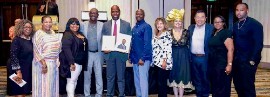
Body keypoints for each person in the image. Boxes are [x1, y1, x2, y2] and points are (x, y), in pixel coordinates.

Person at [232, 3, 263, 97]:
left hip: (248, 61)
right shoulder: (235, 24)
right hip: (237, 61)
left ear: (247, 11)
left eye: (241, 10)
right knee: (238, 85)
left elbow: (258, 44)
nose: (239, 12)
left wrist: (252, 60)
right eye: (237, 10)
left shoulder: (255, 24)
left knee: (248, 87)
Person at [102, 5, 131, 97]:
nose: (115, 13)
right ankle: (109, 95)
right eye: (113, 11)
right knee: (110, 77)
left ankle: (122, 94)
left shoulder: (126, 24)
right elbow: (103, 38)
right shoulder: (105, 24)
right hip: (109, 54)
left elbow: (129, 39)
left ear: (119, 12)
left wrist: (126, 48)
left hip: (121, 54)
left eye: (117, 11)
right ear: (111, 13)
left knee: (121, 78)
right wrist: (104, 48)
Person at [32, 15, 62, 97]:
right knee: (43, 86)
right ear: (42, 23)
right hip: (43, 64)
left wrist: (57, 59)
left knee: (52, 85)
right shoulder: (38, 34)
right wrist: (43, 64)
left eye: (50, 22)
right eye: (46, 22)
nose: (48, 24)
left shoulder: (53, 32)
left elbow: (58, 47)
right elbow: (36, 51)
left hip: (53, 63)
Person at [166, 9, 193, 97]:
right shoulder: (169, 32)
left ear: (182, 23)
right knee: (174, 75)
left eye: (180, 21)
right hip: (172, 55)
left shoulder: (186, 32)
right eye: (176, 21)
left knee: (182, 76)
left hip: (183, 56)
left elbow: (189, 44)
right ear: (173, 22)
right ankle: (175, 95)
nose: (178, 23)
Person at [59, 18, 88, 97]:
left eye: (77, 24)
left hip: (80, 62)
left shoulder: (80, 34)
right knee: (71, 81)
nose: (75, 25)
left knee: (74, 81)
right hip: (73, 62)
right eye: (72, 24)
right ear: (69, 25)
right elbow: (66, 49)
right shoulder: (67, 34)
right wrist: (71, 63)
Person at [188, 10, 214, 97]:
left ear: (205, 18)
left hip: (205, 58)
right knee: (196, 79)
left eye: (202, 17)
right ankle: (199, 95)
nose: (200, 19)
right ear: (194, 18)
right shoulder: (190, 28)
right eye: (197, 17)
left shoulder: (211, 28)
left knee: (205, 79)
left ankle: (205, 95)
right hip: (193, 57)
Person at [6, 19, 35, 97]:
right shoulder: (17, 40)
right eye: (25, 27)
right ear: (21, 28)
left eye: (30, 27)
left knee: (24, 90)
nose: (28, 29)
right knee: (18, 90)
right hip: (16, 69)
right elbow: (13, 56)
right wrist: (18, 72)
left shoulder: (30, 40)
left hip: (26, 69)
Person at [208, 15, 234, 97]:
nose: (217, 23)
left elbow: (231, 49)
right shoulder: (214, 33)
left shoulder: (226, 32)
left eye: (219, 22)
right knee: (216, 87)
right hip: (214, 65)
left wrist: (229, 64)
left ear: (223, 23)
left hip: (222, 65)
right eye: (215, 22)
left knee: (222, 87)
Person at [80, 8, 104, 97]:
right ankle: (87, 94)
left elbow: (106, 37)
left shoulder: (102, 25)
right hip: (88, 54)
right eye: (91, 13)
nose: (93, 14)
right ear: (89, 14)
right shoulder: (83, 24)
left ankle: (99, 94)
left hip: (98, 54)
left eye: (95, 13)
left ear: (98, 15)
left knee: (99, 75)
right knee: (87, 75)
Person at [129, 9, 152, 97]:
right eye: (137, 14)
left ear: (143, 15)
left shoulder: (147, 27)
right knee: (137, 81)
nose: (138, 15)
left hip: (143, 59)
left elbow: (147, 44)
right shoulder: (134, 28)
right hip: (135, 59)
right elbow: (133, 44)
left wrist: (143, 58)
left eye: (140, 14)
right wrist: (131, 56)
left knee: (143, 81)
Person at [152, 17, 172, 97]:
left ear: (164, 24)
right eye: (157, 24)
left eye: (161, 23)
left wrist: (164, 61)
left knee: (162, 84)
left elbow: (167, 48)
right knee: (159, 83)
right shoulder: (156, 34)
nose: (159, 25)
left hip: (163, 62)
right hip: (156, 62)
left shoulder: (166, 34)